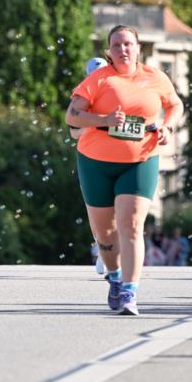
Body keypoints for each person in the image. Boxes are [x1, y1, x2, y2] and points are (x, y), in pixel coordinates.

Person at [65, 25, 182, 315]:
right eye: (116, 45)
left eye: (128, 44)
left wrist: (167, 127)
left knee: (131, 225)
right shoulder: (99, 78)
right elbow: (72, 116)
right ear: (109, 50)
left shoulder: (155, 77)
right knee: (105, 235)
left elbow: (175, 105)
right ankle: (115, 277)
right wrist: (104, 120)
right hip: (96, 162)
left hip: (141, 159)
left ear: (138, 48)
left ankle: (130, 292)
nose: (123, 50)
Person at [71, 56, 109, 276]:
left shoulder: (117, 95)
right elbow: (73, 132)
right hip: (91, 158)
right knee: (95, 212)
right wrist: (92, 127)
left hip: (118, 157)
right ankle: (103, 249)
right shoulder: (82, 98)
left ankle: (115, 253)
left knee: (120, 209)